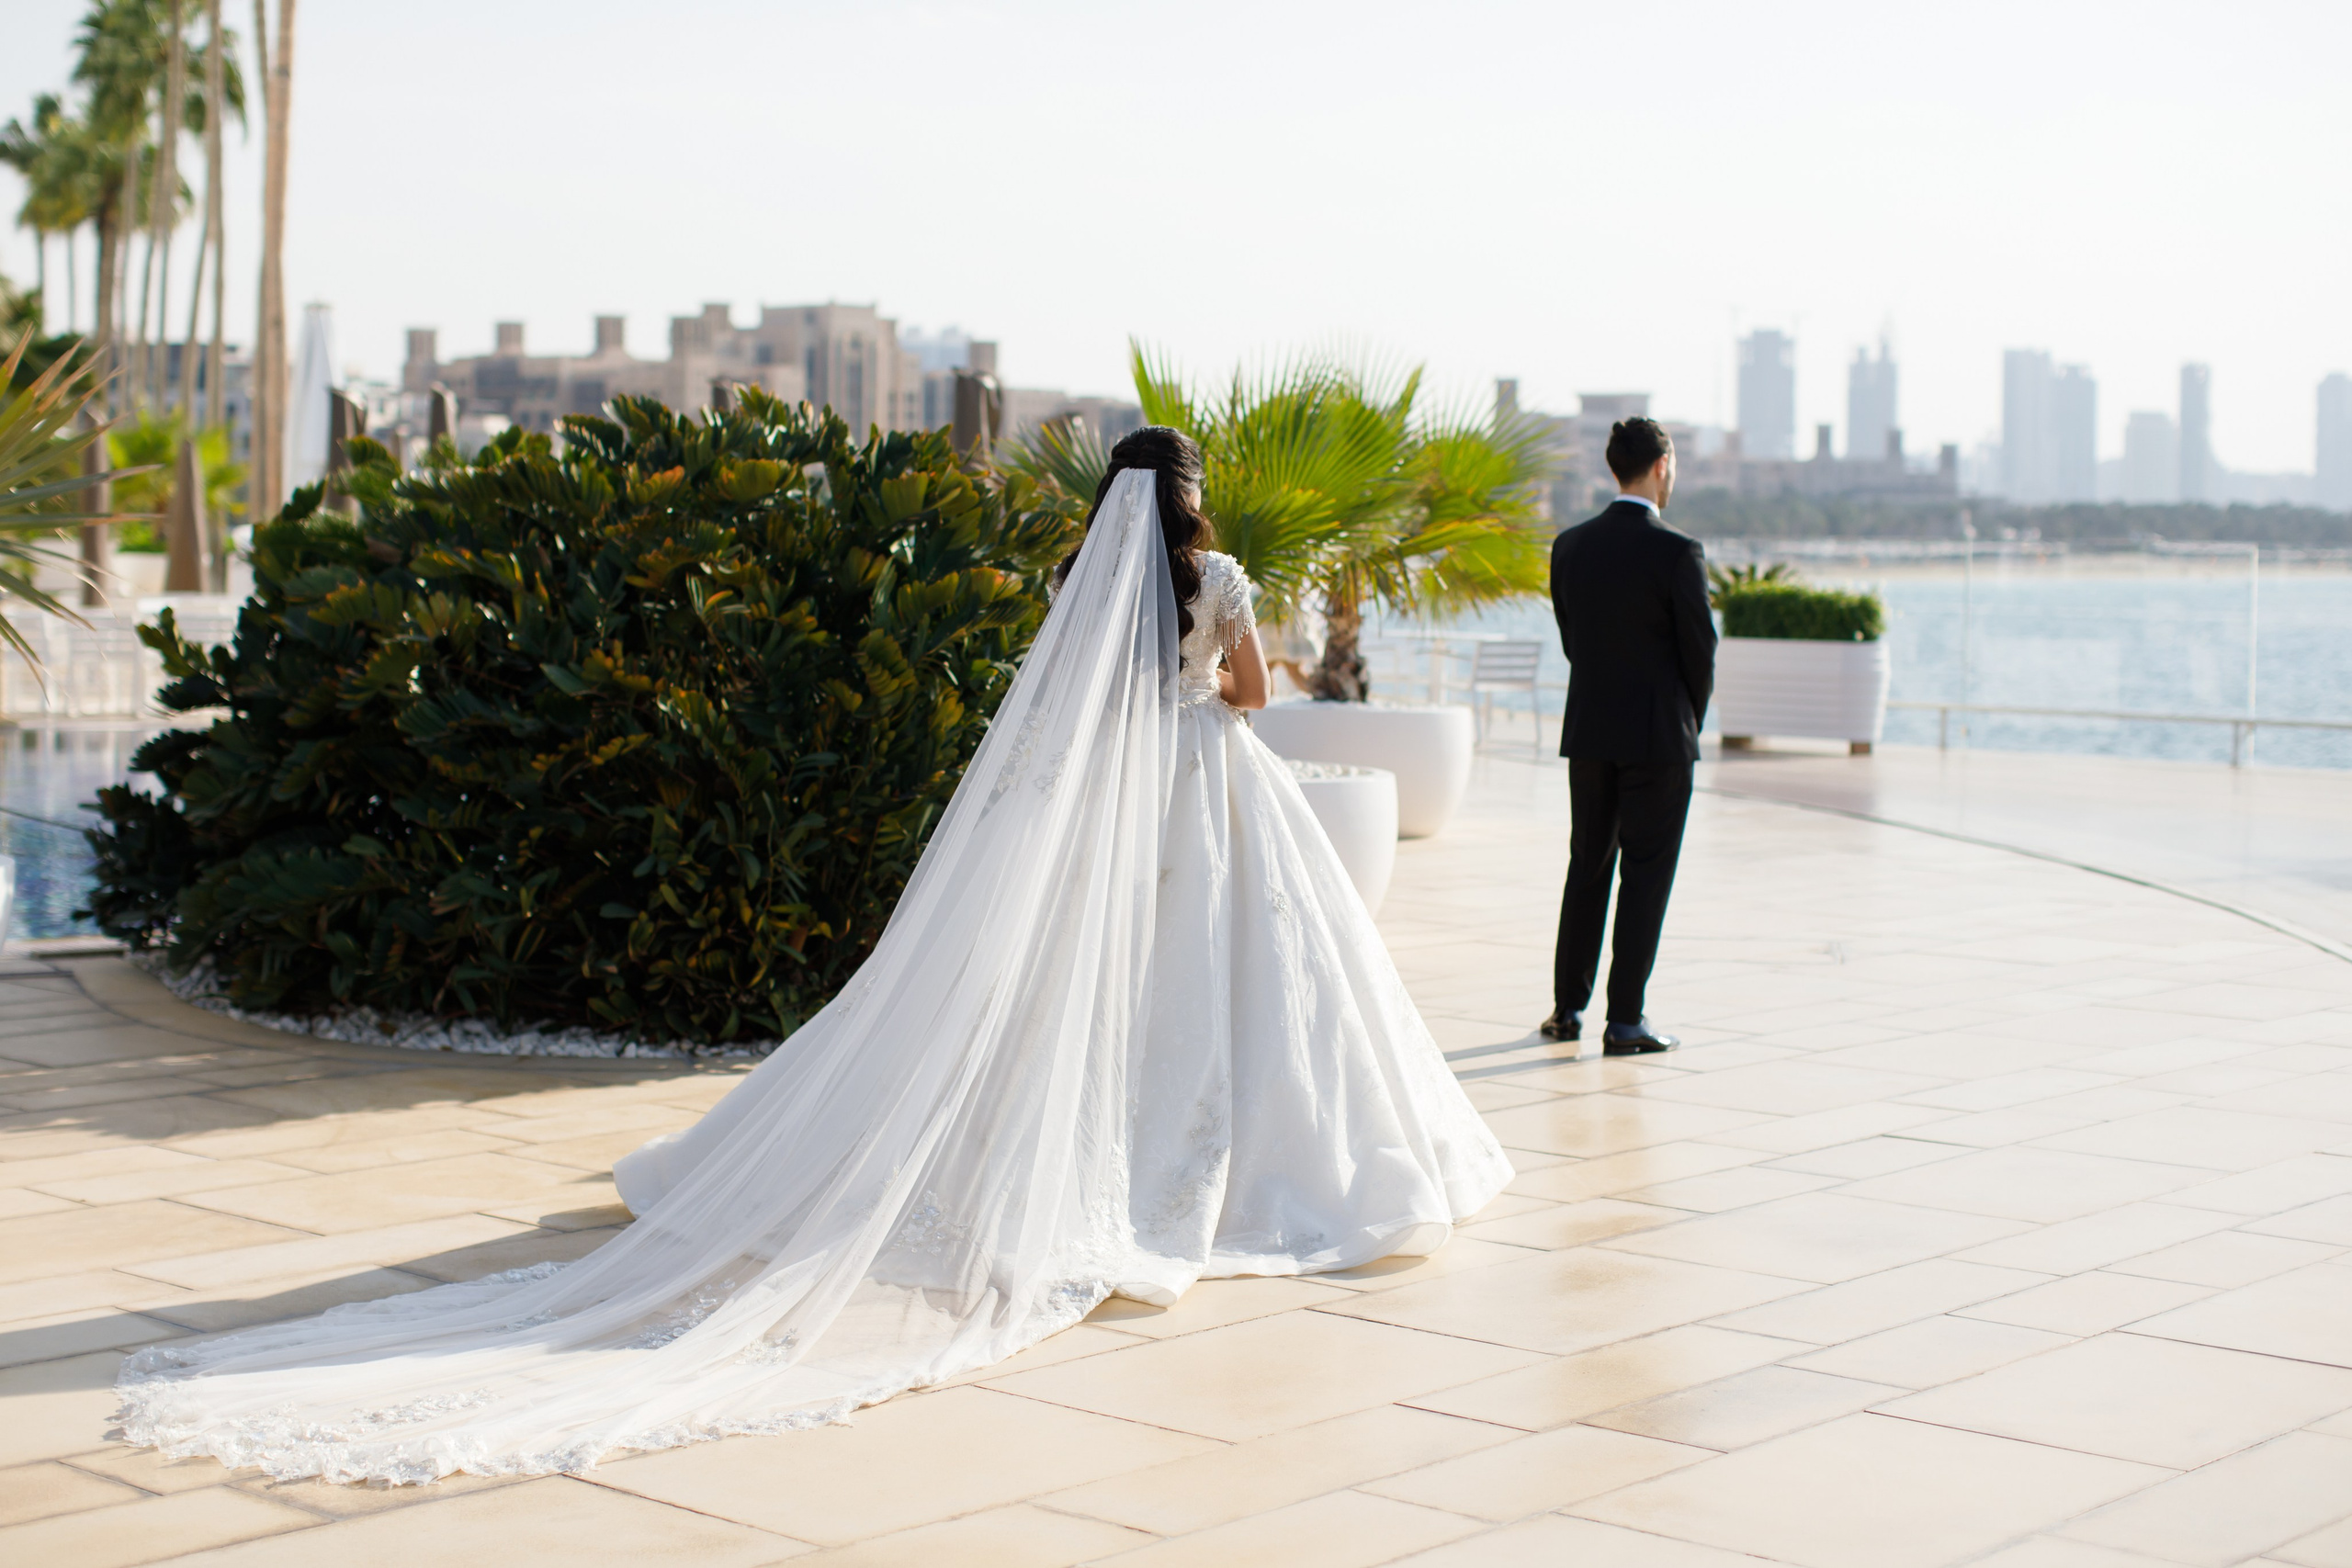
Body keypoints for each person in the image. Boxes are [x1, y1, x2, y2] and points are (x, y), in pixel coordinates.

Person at [118, 426, 1512, 1486]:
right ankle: (1214, 1165)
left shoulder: (1081, 572)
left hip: (1107, 809)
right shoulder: (1219, 575)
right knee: (1236, 987)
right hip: (1206, 786)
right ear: (1197, 494)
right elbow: (1255, 696)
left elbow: (1069, 710)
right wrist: (1217, 666)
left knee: (1068, 991)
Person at [1541, 417, 1715, 1055]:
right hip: (1659, 738)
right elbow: (1702, 652)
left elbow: (1571, 640)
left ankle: (1566, 1008)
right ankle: (1627, 1019)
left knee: (1587, 864)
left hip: (1589, 729)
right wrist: (1685, 717)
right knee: (1646, 875)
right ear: (1663, 466)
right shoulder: (1678, 552)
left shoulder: (1569, 545)